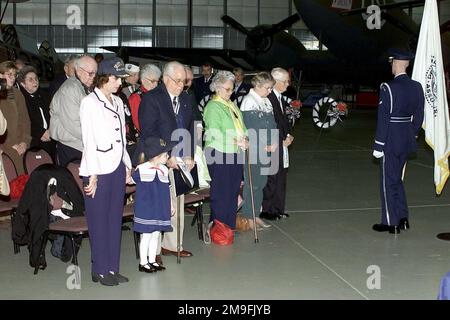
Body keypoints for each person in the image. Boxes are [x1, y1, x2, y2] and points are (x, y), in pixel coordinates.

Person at [79, 57, 132, 286]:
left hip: (117, 166)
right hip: (97, 169)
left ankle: (112, 267)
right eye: (116, 78)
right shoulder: (89, 103)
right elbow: (88, 140)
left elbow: (122, 138)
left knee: (113, 220)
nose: (119, 83)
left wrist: (127, 164)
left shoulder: (118, 102)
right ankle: (99, 269)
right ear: (104, 78)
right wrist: (91, 173)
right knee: (98, 221)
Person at [138, 61, 194, 258]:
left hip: (180, 158)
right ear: (166, 79)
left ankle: (173, 244)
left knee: (177, 202)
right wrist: (166, 156)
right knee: (160, 205)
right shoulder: (152, 99)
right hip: (159, 159)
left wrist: (189, 154)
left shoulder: (186, 98)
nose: (181, 85)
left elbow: (190, 128)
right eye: (177, 81)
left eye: (184, 81)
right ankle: (154, 250)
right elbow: (149, 132)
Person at [372, 49, 424, 234]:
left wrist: (379, 145)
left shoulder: (388, 87)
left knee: (388, 181)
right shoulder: (417, 87)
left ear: (395, 64)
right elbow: (419, 116)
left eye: (392, 62)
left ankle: (390, 222)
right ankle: (403, 218)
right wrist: (412, 134)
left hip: (391, 139)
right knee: (398, 180)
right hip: (407, 138)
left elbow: (384, 118)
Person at [203, 71, 248, 230]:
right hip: (219, 152)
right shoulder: (212, 107)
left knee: (233, 190)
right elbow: (214, 132)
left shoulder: (231, 105)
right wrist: (237, 140)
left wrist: (246, 139)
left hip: (235, 152)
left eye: (232, 89)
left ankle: (228, 227)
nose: (231, 92)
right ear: (217, 88)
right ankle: (218, 227)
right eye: (227, 89)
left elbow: (242, 127)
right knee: (221, 192)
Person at [240, 72, 277, 230]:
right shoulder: (248, 102)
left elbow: (272, 124)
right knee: (252, 184)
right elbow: (251, 129)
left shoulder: (267, 101)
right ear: (258, 86)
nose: (270, 91)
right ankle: (248, 216)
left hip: (267, 149)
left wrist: (274, 142)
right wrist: (263, 146)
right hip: (255, 149)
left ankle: (256, 214)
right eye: (268, 88)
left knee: (261, 183)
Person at [133, 137, 176, 273]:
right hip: (146, 209)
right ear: (155, 156)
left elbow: (168, 190)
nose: (168, 156)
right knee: (146, 235)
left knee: (156, 234)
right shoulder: (142, 169)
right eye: (165, 154)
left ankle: (152, 260)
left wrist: (170, 206)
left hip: (160, 208)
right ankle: (143, 262)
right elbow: (131, 181)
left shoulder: (164, 170)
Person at [49, 55, 97, 167]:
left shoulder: (84, 86)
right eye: (91, 73)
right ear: (79, 71)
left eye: (95, 73)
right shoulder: (70, 89)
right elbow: (74, 125)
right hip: (72, 146)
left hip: (81, 144)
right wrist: (96, 137)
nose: (93, 77)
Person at [260, 67, 294, 221]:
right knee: (271, 178)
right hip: (273, 143)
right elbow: (269, 123)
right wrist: (280, 139)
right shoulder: (268, 98)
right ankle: (267, 209)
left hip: (281, 142)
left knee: (281, 176)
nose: (288, 84)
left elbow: (282, 121)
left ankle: (277, 208)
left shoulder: (279, 98)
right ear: (276, 82)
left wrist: (288, 135)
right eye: (285, 81)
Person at [17, 66, 56, 161]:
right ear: (22, 84)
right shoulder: (20, 99)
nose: (35, 82)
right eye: (30, 80)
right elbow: (24, 121)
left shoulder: (44, 95)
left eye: (36, 79)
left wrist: (52, 129)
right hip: (33, 141)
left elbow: (53, 114)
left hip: (50, 138)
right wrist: (41, 133)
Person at [0, 61, 31, 174]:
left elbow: (25, 120)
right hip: (5, 148)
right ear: (1, 75)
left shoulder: (17, 94)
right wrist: (9, 144)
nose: (13, 78)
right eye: (9, 74)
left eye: (15, 75)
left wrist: (24, 142)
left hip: (20, 147)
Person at [129, 64, 161, 131]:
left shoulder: (157, 94)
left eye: (157, 81)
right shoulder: (136, 97)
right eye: (152, 81)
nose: (156, 84)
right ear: (143, 80)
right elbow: (138, 123)